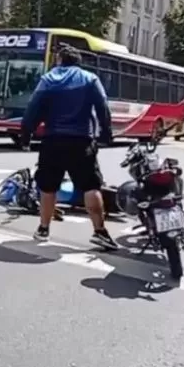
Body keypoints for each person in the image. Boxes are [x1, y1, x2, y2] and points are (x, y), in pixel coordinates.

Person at [17, 44, 118, 250]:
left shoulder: (48, 79)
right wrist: (106, 134)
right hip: (82, 140)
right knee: (91, 186)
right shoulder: (90, 79)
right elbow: (102, 108)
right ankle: (100, 232)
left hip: (52, 139)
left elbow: (33, 108)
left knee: (48, 186)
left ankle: (44, 228)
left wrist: (26, 135)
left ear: (59, 60)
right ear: (78, 61)